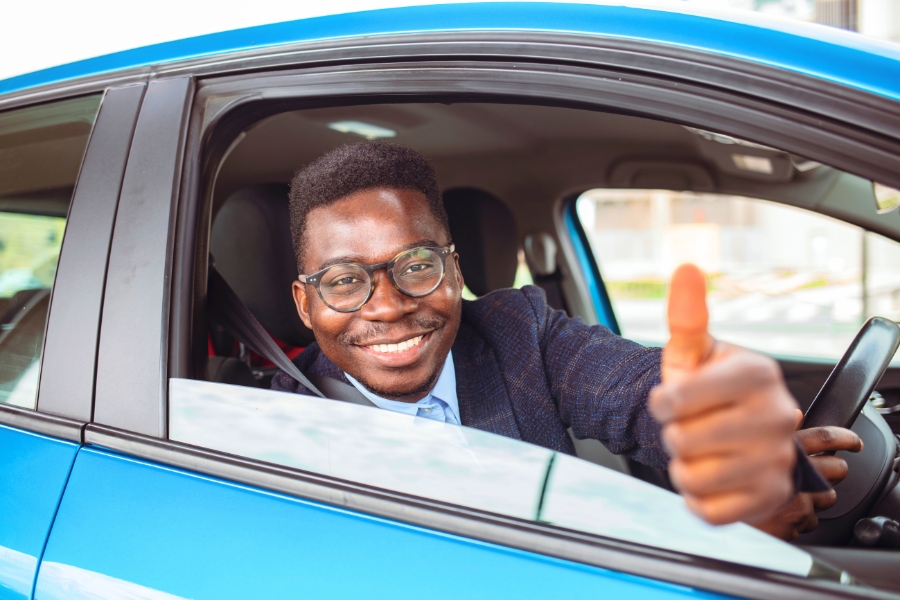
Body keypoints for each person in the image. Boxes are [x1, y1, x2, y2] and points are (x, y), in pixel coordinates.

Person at [272, 142, 862, 539]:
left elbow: (639, 390)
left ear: (454, 271)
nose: (390, 306)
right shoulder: (267, 426)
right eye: (345, 281)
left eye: (417, 266)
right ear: (305, 303)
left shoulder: (515, 330)